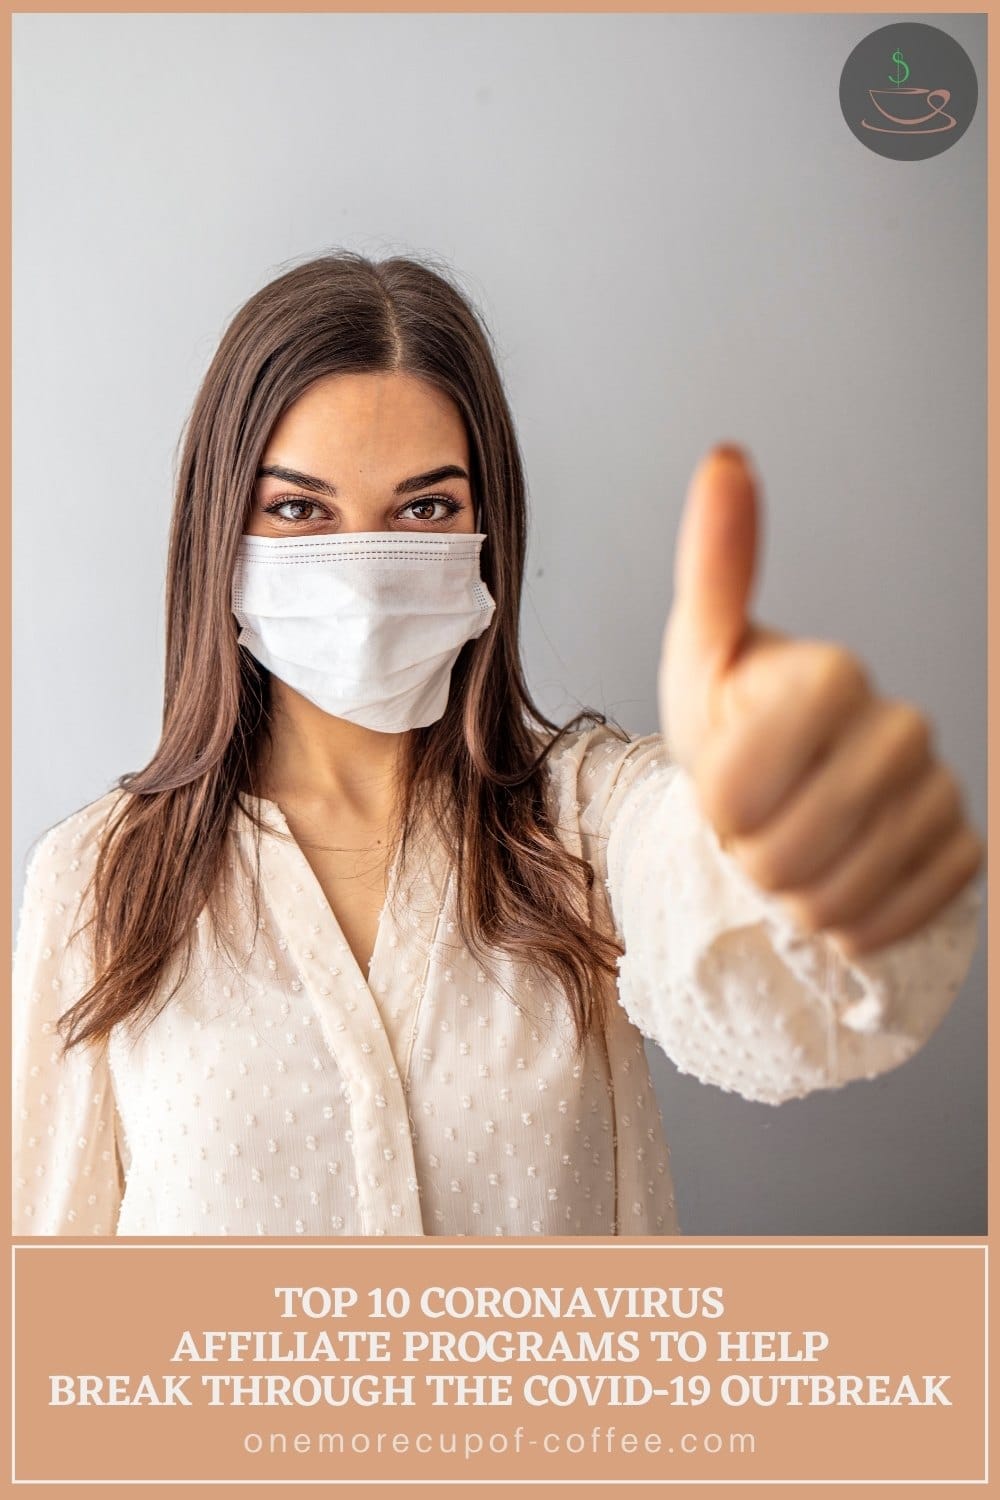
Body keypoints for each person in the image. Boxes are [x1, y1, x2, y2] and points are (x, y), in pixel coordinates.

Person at [12, 250, 983, 1238]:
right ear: (220, 532)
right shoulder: (96, 881)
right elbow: (49, 1319)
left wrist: (798, 847)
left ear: (489, 529)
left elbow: (777, 990)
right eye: (299, 510)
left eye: (423, 508)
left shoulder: (593, 823)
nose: (363, 574)